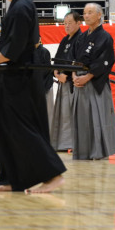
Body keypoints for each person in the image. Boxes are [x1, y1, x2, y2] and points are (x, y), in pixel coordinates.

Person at [0, 0, 66, 193]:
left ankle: (53, 174)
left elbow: (13, 50)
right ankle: (10, 179)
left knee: (21, 127)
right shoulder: (19, 5)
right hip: (12, 76)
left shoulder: (21, 8)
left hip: (21, 77)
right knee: (4, 125)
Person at [71, 3, 115, 160]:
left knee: (97, 119)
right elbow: (74, 58)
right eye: (84, 13)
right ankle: (82, 152)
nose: (86, 16)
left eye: (90, 12)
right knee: (82, 120)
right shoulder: (81, 37)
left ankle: (98, 152)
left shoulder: (105, 37)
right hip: (79, 82)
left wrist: (87, 76)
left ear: (99, 15)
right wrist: (74, 75)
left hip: (94, 81)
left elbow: (105, 61)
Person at [50, 11, 83, 152]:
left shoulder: (81, 39)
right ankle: (61, 144)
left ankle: (73, 144)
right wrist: (56, 72)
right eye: (65, 23)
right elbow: (57, 59)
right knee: (62, 114)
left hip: (72, 83)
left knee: (71, 114)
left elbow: (78, 62)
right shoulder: (65, 40)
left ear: (78, 23)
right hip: (62, 81)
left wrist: (67, 75)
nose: (67, 26)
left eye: (70, 23)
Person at [35, 37, 54, 130]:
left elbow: (46, 70)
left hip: (45, 85)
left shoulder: (44, 51)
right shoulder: (29, 52)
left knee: (47, 113)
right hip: (35, 87)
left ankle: (48, 133)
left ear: (40, 39)